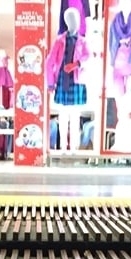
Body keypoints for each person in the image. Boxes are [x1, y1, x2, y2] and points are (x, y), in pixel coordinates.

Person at [46, 7, 91, 151]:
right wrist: (51, 83)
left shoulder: (83, 41)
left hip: (77, 81)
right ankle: (63, 147)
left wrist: (77, 64)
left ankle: (74, 147)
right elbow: (49, 62)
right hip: (62, 80)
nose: (75, 22)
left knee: (75, 115)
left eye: (76, 19)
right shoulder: (59, 40)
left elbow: (89, 57)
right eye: (72, 19)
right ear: (66, 22)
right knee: (64, 115)